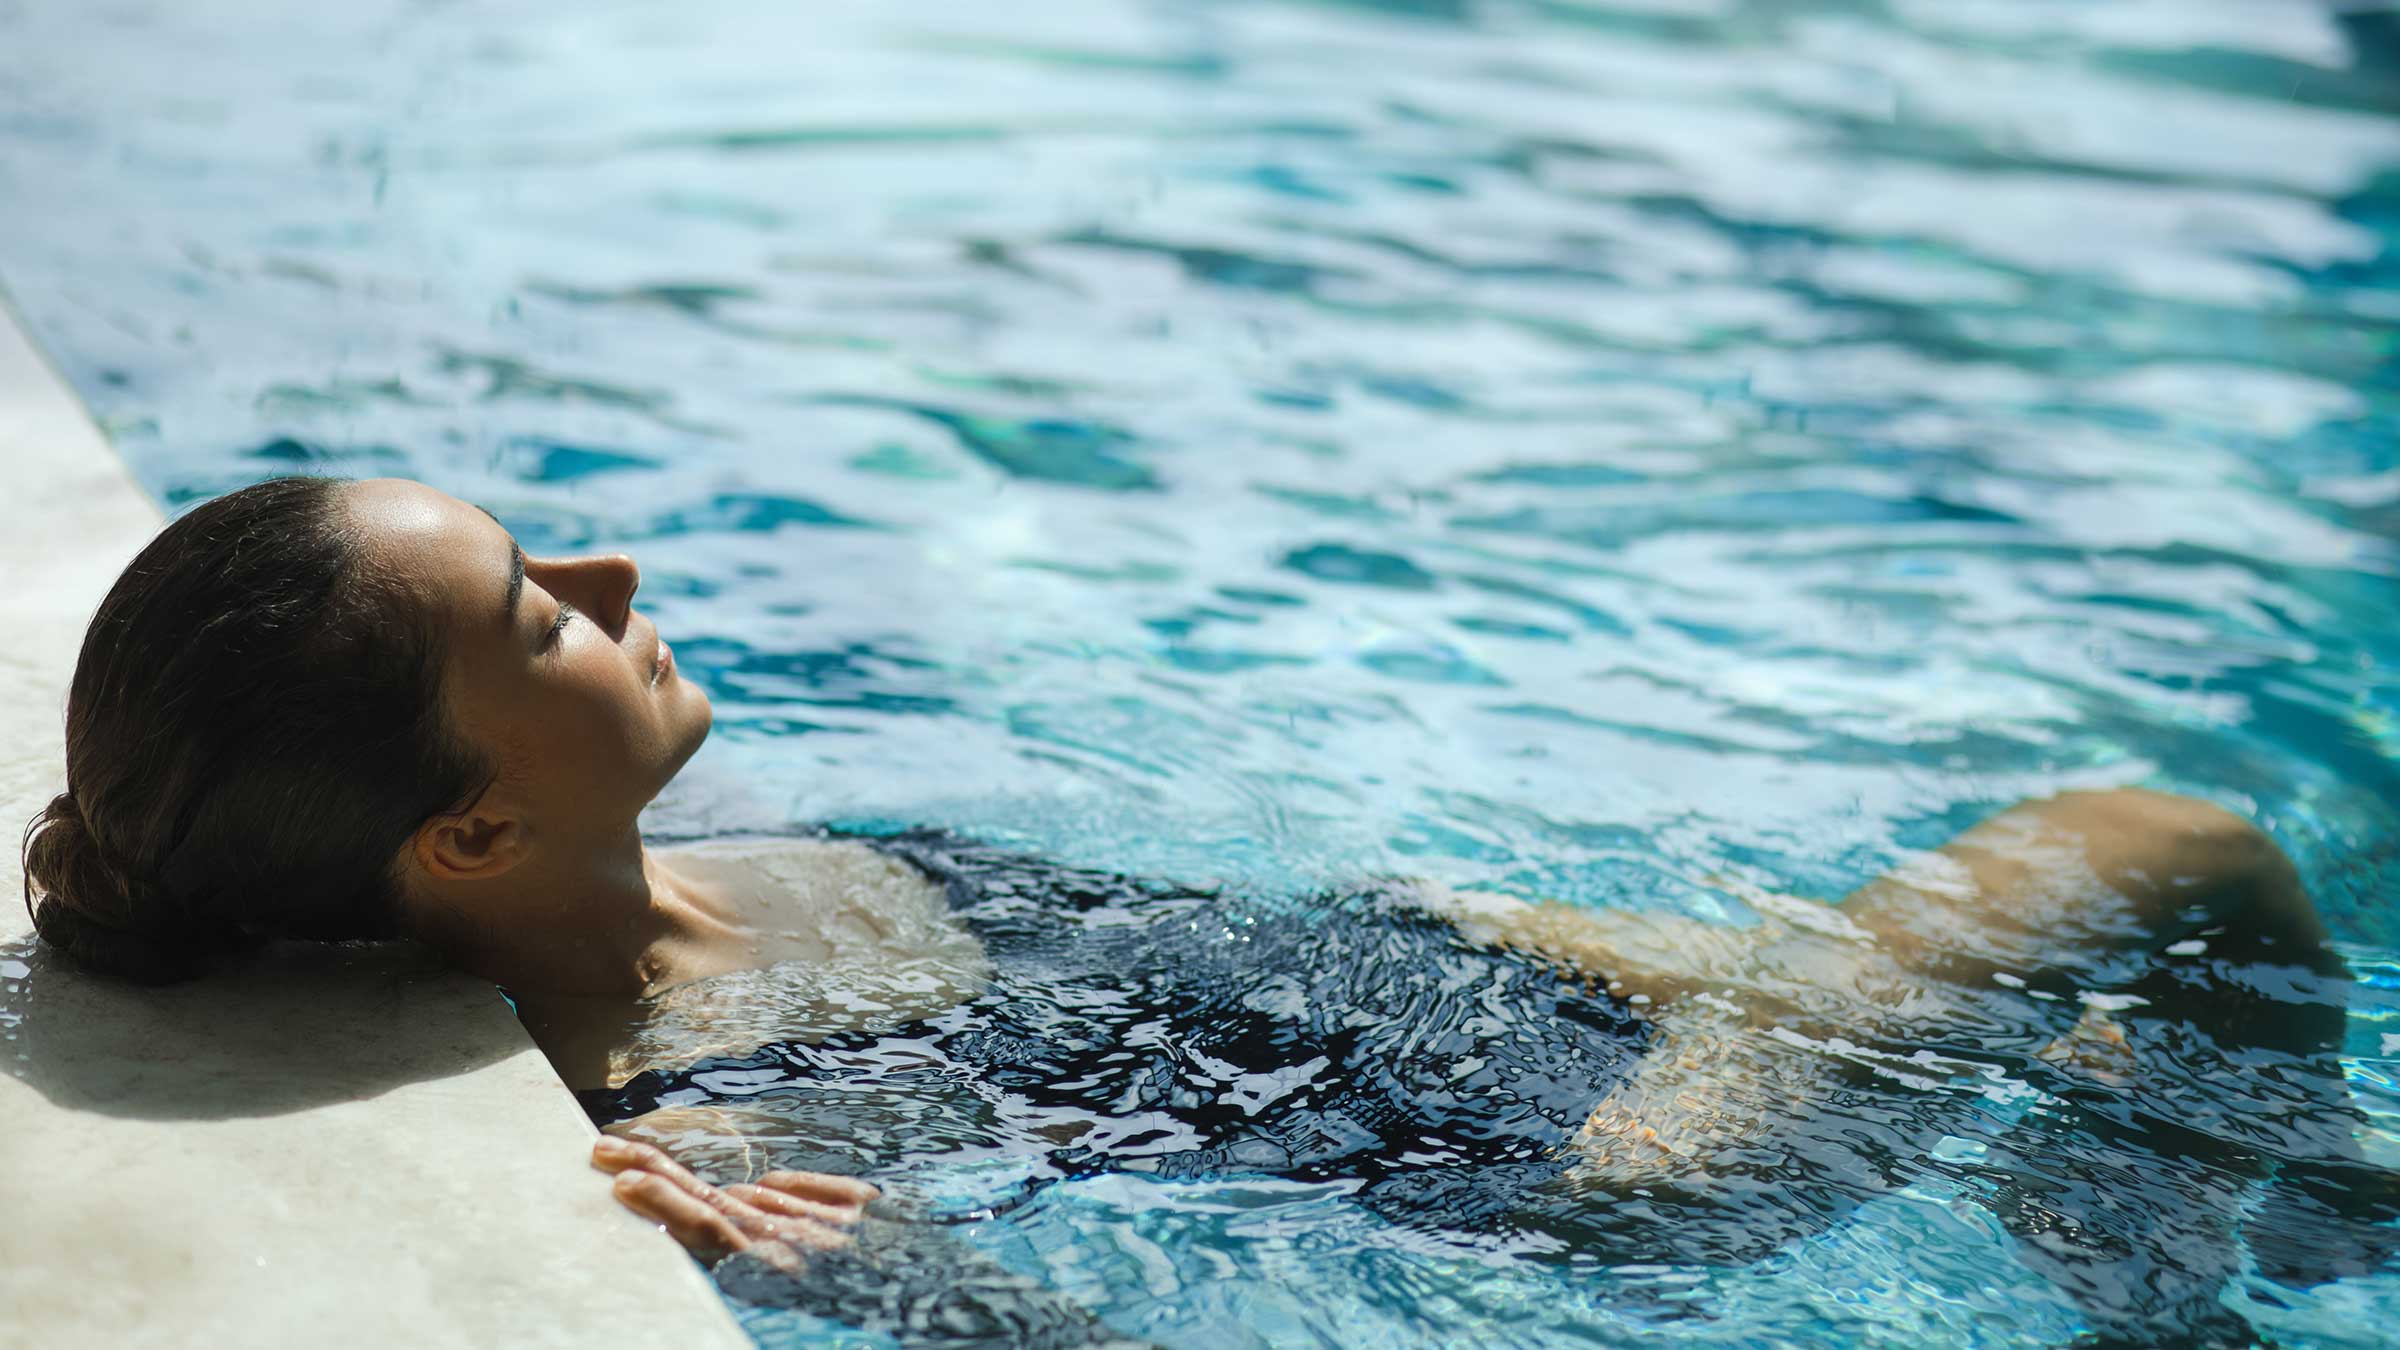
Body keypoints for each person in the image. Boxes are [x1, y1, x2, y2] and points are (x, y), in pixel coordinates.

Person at [23, 476, 2393, 1344]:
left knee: (2124, 1017)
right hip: (1626, 1169)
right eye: (536, 611)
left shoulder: (726, 878)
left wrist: (1688, 954)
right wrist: (909, 1289)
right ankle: (2212, 1270)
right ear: (457, 842)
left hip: (1559, 1008)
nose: (613, 571)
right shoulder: (703, 1095)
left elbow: (1227, 951)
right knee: (2165, 848)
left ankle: (2190, 1254)